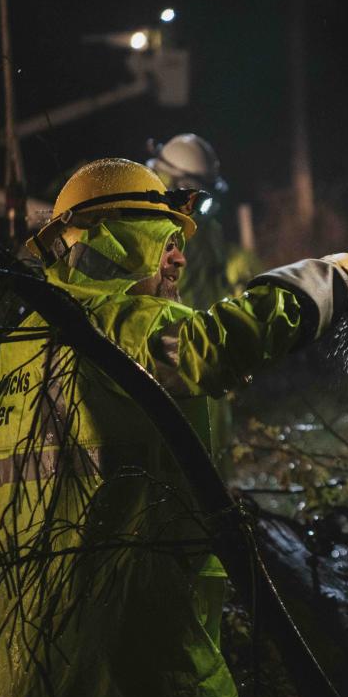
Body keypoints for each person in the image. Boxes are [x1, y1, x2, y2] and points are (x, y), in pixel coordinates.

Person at [0, 158, 348, 697]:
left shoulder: (14, 351)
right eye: (163, 240)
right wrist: (337, 278)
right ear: (112, 239)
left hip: (3, 681)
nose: (178, 259)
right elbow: (212, 348)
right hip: (129, 670)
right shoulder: (118, 323)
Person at [147, 133, 263, 471]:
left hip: (204, 339)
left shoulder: (203, 225)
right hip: (172, 345)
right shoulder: (154, 223)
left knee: (213, 436)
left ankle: (220, 505)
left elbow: (214, 280)